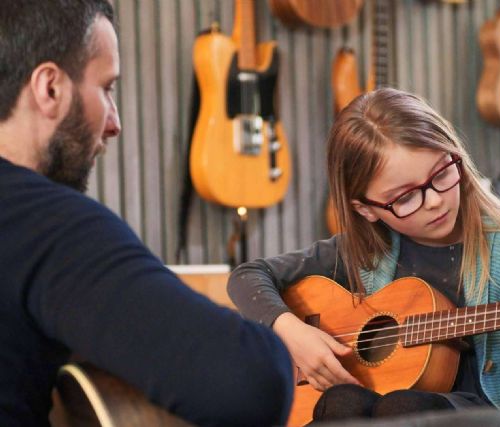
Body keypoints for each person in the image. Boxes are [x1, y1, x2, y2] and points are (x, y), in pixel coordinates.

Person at [0, 1, 293, 426]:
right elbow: (254, 380)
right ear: (50, 89)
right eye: (106, 88)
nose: (115, 123)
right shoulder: (48, 224)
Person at [227, 88, 500, 422]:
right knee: (341, 404)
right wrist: (291, 331)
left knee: (405, 408)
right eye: (405, 197)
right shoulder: (366, 250)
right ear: (367, 209)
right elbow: (247, 276)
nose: (434, 200)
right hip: (395, 410)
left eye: (442, 173)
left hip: (497, 415)